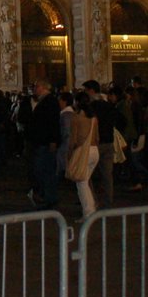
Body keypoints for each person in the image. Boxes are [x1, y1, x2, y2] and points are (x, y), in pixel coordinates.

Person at [25, 79, 60, 208]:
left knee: (44, 170)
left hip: (45, 142)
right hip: (41, 141)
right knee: (43, 169)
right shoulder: (43, 101)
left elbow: (53, 122)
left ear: (44, 87)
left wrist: (53, 140)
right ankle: (47, 195)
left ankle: (49, 196)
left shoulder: (49, 101)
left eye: (37, 86)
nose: (34, 88)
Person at [65, 92, 99, 216]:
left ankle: (89, 212)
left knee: (81, 183)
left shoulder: (76, 118)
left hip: (83, 151)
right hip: (95, 150)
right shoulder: (94, 118)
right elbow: (97, 137)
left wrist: (69, 156)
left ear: (77, 102)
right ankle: (91, 207)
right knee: (85, 181)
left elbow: (73, 140)